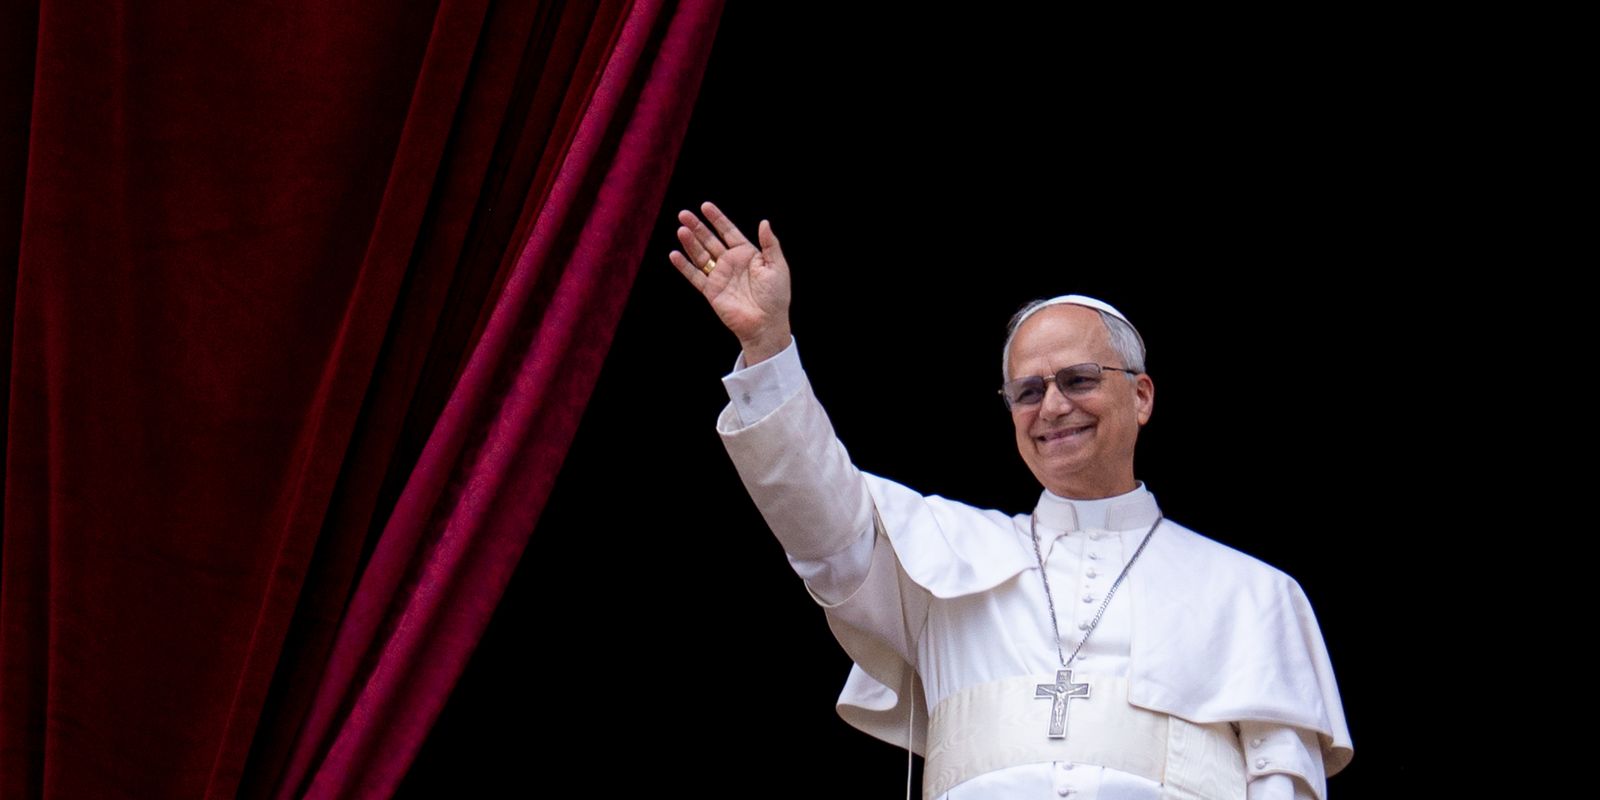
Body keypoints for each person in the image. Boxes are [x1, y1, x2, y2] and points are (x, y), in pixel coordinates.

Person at [669, 202, 1353, 799]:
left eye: (1079, 379)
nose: (1053, 407)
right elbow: (820, 519)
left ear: (1140, 396)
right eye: (1028, 391)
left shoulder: (1255, 596)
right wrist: (768, 348)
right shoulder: (939, 559)